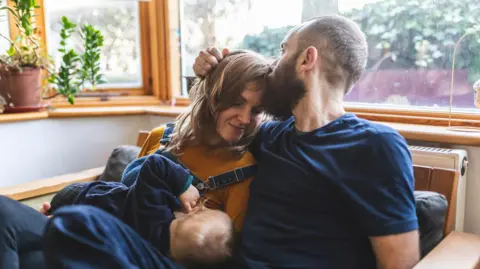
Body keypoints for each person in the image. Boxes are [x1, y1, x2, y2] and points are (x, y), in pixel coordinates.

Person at [0, 50, 269, 269]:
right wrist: (71, 205)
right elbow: (126, 197)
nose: (245, 119)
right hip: (95, 226)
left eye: (256, 110)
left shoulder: (241, 172)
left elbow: (225, 256)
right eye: (236, 102)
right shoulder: (162, 137)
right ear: (213, 96)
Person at [193, 15, 420, 269]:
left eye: (283, 50)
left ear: (306, 59)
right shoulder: (268, 136)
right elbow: (206, 141)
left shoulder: (374, 145)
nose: (272, 66)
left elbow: (400, 263)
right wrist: (213, 73)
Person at [43, 154, 235, 269]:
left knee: (56, 213)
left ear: (192, 213)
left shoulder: (153, 210)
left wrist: (184, 186)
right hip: (87, 220)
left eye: (205, 209)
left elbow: (154, 164)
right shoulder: (158, 254)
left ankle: (48, 215)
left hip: (83, 196)